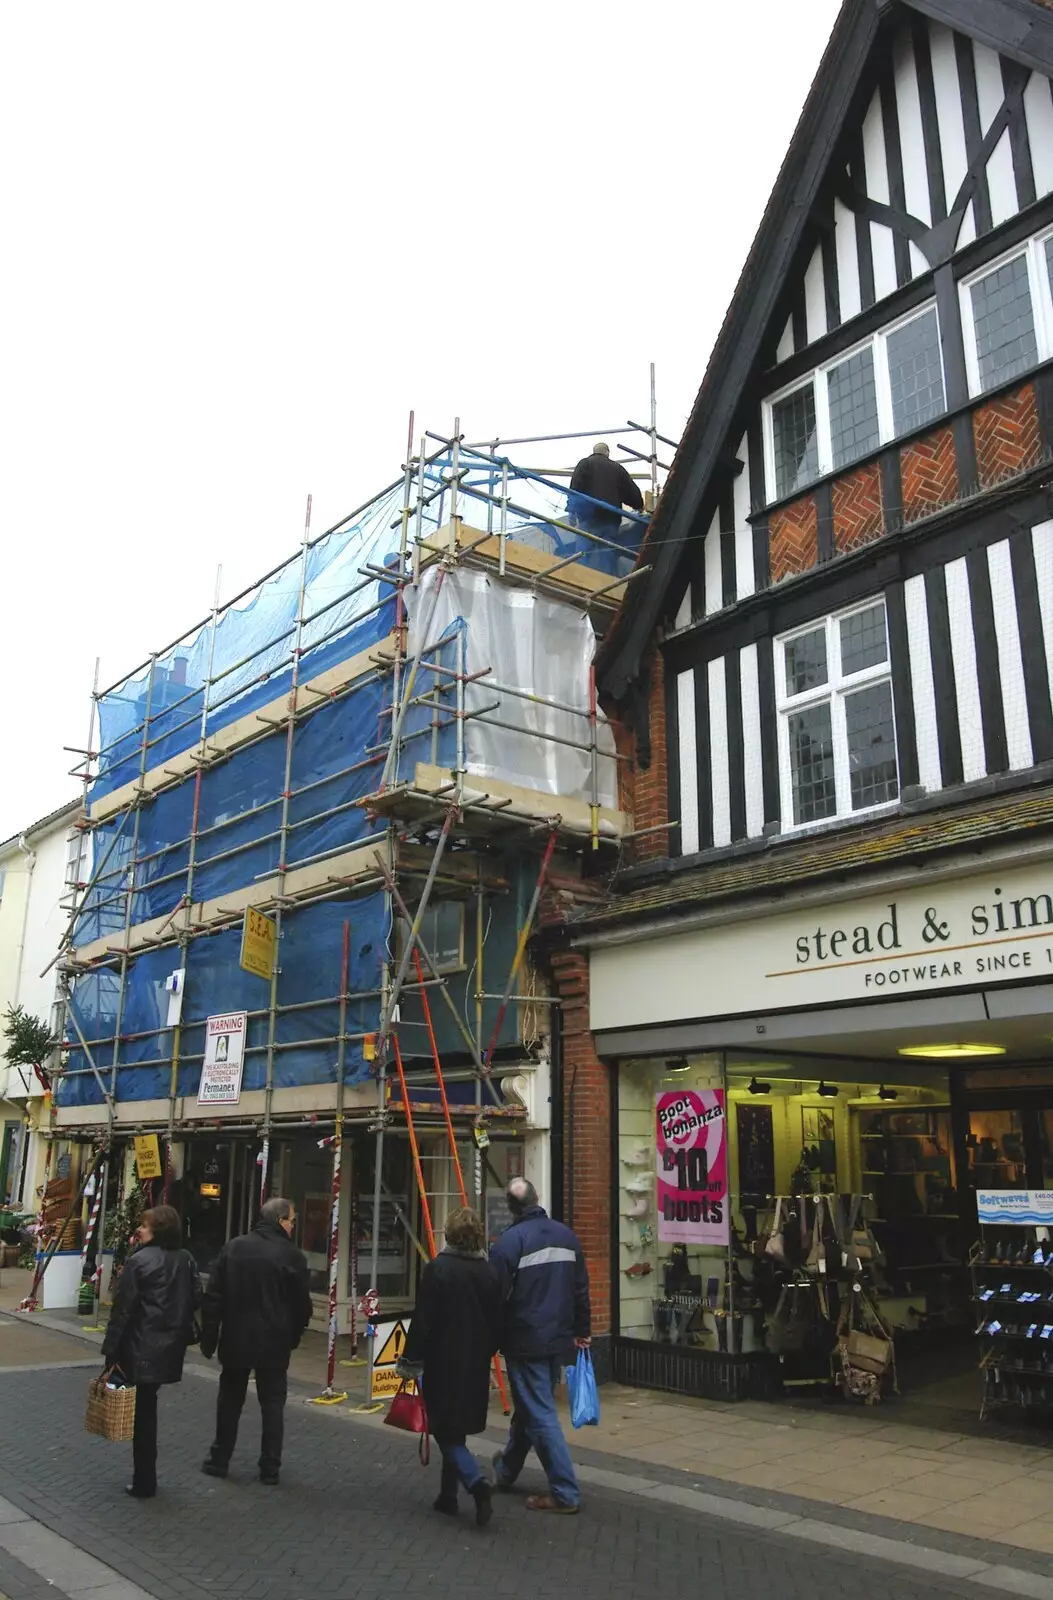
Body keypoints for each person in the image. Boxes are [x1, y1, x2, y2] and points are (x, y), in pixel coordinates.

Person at [489, 1178, 591, 1515]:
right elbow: (580, 1289)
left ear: (512, 1207)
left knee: (540, 1414)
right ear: (538, 1198)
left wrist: (488, 1338)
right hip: (558, 1338)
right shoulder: (566, 1236)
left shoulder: (508, 1244)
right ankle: (506, 1471)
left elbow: (495, 1298)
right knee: (531, 1409)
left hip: (525, 1339)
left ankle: (565, 1492)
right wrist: (583, 1329)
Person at [397, 1206, 504, 1526]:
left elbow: (424, 1319)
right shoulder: (489, 1272)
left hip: (442, 1361)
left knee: (444, 1429)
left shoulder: (439, 1269)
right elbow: (498, 1321)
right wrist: (488, 1349)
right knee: (456, 1428)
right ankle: (447, 1496)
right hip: (475, 1363)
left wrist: (410, 1359)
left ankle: (475, 1482)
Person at [199, 1196, 312, 1486]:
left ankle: (219, 1459)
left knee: (229, 1402)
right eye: (292, 1221)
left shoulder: (234, 1248)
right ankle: (270, 1467)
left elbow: (213, 1297)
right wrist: (293, 1336)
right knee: (272, 1404)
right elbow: (302, 1306)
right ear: (280, 1221)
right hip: (275, 1341)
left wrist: (209, 1337)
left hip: (237, 1337)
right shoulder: (292, 1256)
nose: (293, 1226)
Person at [101, 1204, 200, 1500]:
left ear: (157, 1230)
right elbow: (195, 1298)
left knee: (143, 1415)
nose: (139, 1230)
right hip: (168, 1346)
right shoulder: (186, 1260)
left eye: (144, 1226)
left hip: (139, 1346)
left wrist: (111, 1351)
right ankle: (146, 1478)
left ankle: (144, 1480)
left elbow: (123, 1310)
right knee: (147, 1408)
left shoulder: (139, 1261)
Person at [567, 441, 644, 574]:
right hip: (610, 518)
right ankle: (608, 581)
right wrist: (639, 506)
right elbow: (630, 492)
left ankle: (579, 576)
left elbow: (575, 487)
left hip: (588, 516)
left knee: (583, 550)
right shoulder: (617, 469)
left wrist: (571, 511)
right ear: (607, 453)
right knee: (607, 552)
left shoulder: (585, 464)